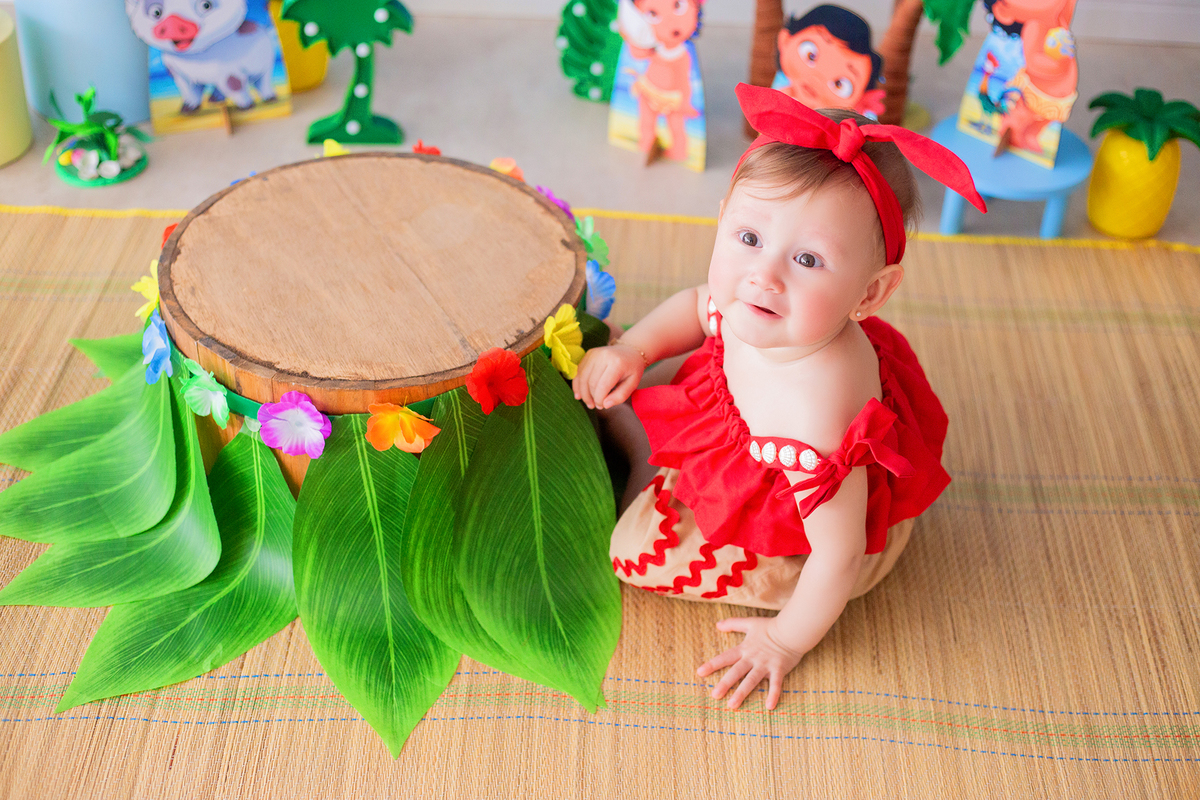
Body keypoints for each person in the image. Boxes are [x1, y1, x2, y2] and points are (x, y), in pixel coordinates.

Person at [573, 84, 986, 711]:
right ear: (722, 218)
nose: (764, 274)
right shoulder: (757, 302)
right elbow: (695, 306)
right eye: (748, 238)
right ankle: (643, 437)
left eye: (809, 259)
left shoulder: (814, 412)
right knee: (638, 365)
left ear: (870, 295)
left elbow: (838, 552)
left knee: (628, 553)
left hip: (801, 520)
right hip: (737, 422)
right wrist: (635, 352)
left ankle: (642, 463)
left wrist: (785, 641)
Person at [776, 4, 885, 119]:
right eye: (810, 55)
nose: (817, 78)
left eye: (840, 84)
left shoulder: (854, 124)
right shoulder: (779, 95)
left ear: (863, 95)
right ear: (785, 40)